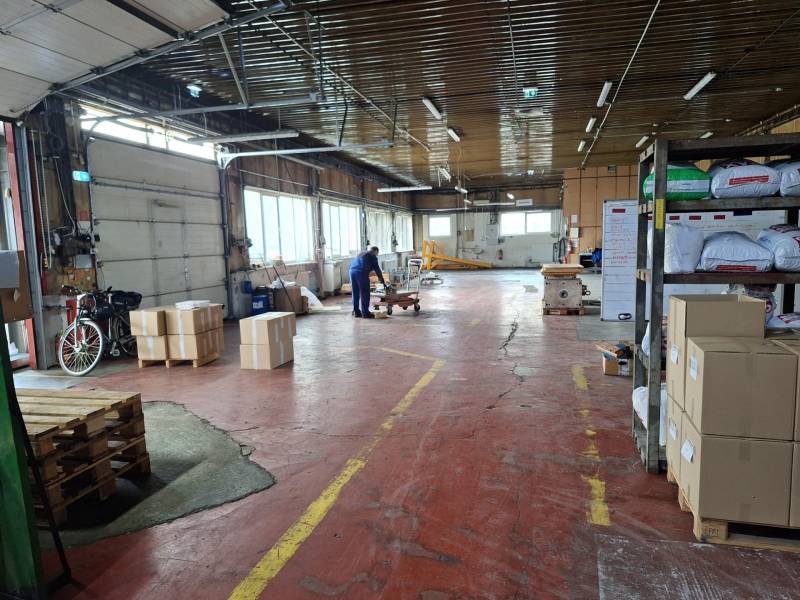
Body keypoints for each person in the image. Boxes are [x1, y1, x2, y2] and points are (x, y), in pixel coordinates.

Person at [349, 246, 390, 318]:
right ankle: (365, 313)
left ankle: (356, 311)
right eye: (377, 254)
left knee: (355, 292)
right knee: (365, 292)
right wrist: (382, 282)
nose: (377, 255)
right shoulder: (372, 256)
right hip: (361, 273)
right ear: (376, 251)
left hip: (352, 271)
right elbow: (377, 270)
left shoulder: (361, 253)